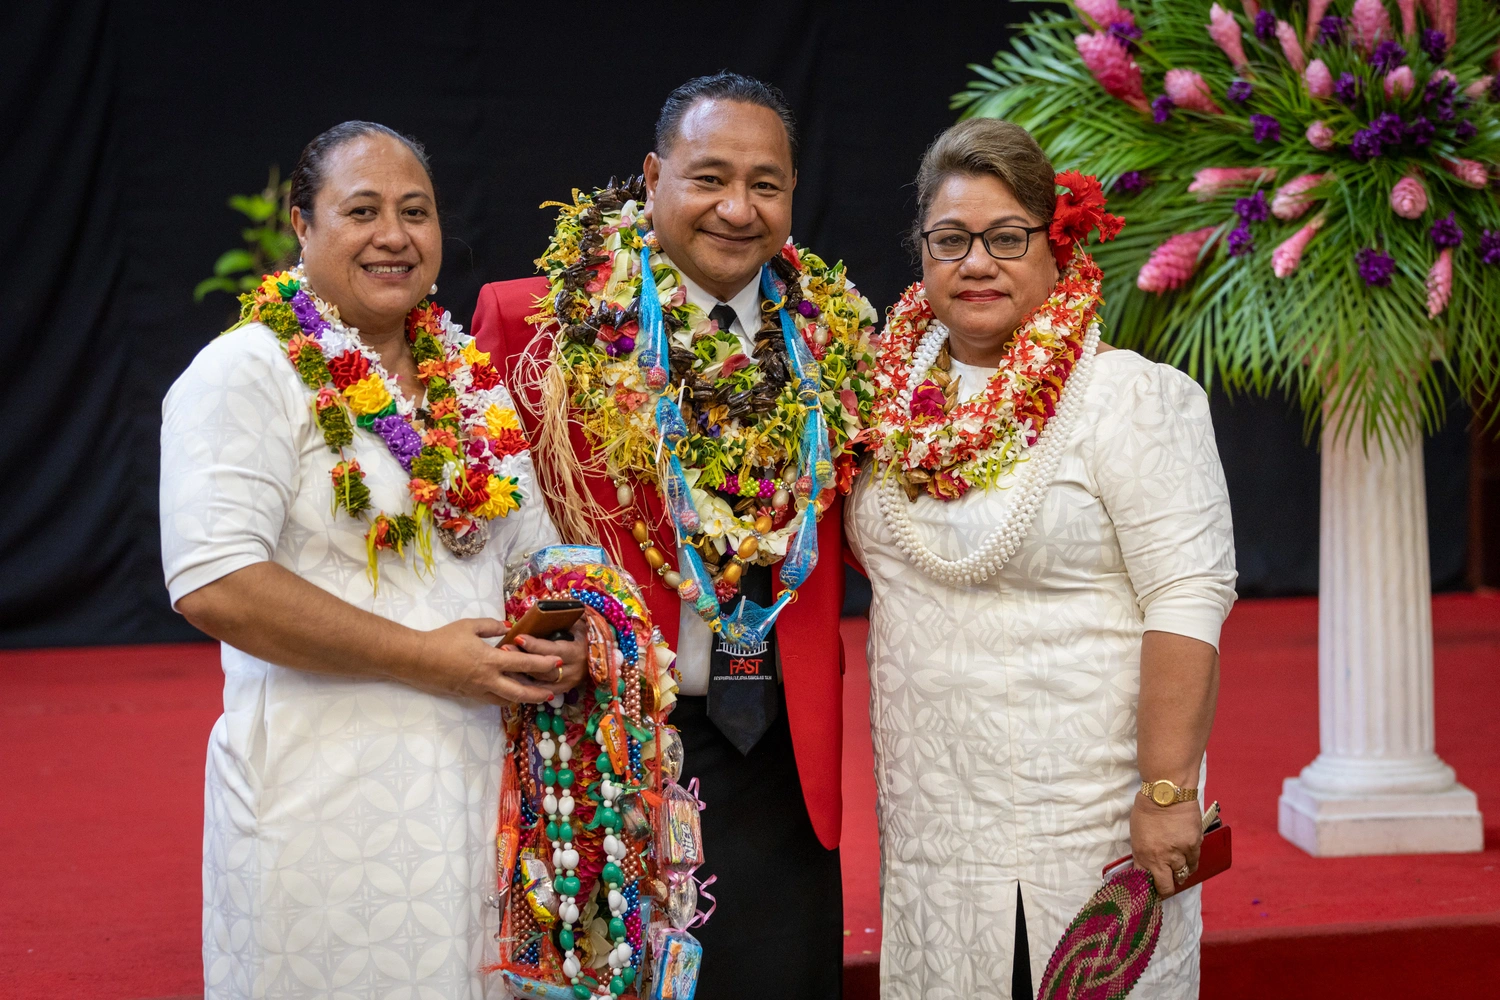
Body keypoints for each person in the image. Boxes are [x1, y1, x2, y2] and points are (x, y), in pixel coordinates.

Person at [160, 121, 588, 1000]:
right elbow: (215, 583)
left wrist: (568, 634)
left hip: (479, 796)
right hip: (318, 804)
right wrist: (426, 657)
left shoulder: (471, 384)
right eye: (362, 211)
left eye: (415, 212)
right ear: (302, 224)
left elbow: (535, 562)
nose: (394, 235)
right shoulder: (246, 372)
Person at [473, 73, 877, 997]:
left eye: (765, 184)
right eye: (709, 178)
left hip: (779, 751)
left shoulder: (838, 340)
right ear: (654, 178)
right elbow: (473, 523)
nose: (738, 208)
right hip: (599, 745)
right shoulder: (538, 324)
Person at [846, 118, 1237, 999]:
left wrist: (1168, 792)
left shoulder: (1130, 397)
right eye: (950, 239)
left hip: (1086, 815)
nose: (976, 263)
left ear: (1056, 246)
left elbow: (1187, 594)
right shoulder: (878, 398)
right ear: (921, 251)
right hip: (932, 819)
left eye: (1006, 238)